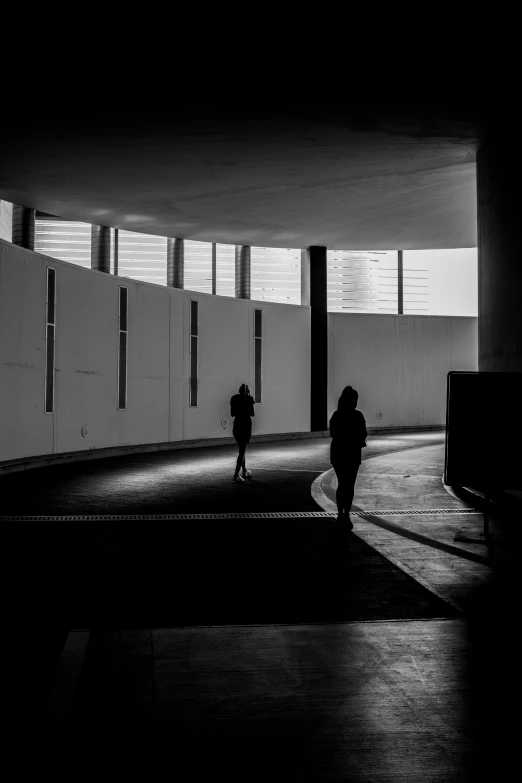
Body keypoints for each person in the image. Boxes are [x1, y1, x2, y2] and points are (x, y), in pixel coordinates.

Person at [329, 385, 367, 532]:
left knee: (342, 483)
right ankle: (347, 515)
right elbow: (363, 434)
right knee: (349, 485)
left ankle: (340, 514)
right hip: (353, 454)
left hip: (338, 453)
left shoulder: (336, 415)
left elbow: (333, 434)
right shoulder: (358, 416)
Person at [230, 383, 255, 482]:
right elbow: (252, 414)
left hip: (237, 426)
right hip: (246, 427)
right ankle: (236, 474)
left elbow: (232, 414)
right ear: (247, 391)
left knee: (241, 448)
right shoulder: (249, 399)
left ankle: (244, 470)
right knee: (242, 451)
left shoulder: (234, 398)